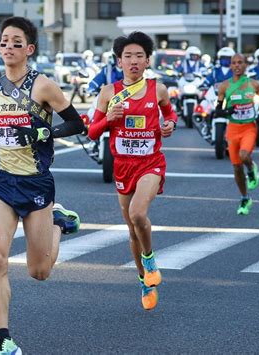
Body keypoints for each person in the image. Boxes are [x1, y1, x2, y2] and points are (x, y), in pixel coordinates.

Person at [0, 16, 85, 354]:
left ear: (29, 49)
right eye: (4, 41)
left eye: (17, 42)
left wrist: (43, 131)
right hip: (1, 181)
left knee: (39, 271)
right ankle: (3, 337)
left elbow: (76, 123)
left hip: (36, 183)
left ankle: (56, 223)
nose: (9, 47)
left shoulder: (43, 85)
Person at [87, 31, 177, 311]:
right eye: (128, 56)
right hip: (122, 166)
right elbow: (91, 132)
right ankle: (144, 280)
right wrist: (107, 120)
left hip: (150, 163)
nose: (134, 61)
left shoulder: (157, 89)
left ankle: (149, 259)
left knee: (139, 213)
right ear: (119, 61)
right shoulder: (108, 92)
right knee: (132, 229)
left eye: (139, 56)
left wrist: (169, 125)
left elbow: (170, 114)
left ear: (147, 60)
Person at [215, 53, 259, 215]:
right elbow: (217, 110)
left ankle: (251, 170)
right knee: (236, 167)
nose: (237, 65)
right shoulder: (224, 86)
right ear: (230, 66)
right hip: (233, 129)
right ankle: (245, 198)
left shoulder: (254, 84)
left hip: (249, 128)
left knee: (244, 156)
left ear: (246, 65)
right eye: (234, 63)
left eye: (240, 63)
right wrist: (225, 110)